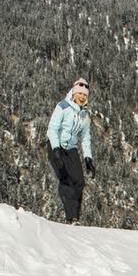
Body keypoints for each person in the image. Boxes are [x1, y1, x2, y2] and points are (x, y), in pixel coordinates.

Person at [47, 78, 95, 224]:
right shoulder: (62, 107)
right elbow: (52, 129)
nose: (82, 97)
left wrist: (88, 158)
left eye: (85, 95)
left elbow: (85, 137)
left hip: (71, 148)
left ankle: (75, 217)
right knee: (65, 179)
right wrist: (55, 149)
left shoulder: (85, 115)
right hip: (55, 145)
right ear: (74, 93)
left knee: (79, 182)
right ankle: (71, 217)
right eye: (80, 94)